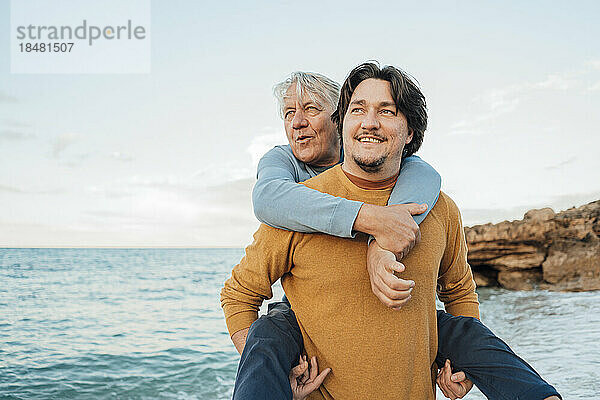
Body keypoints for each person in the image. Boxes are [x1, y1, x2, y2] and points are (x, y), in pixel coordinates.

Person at [222, 63, 561, 400]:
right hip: (304, 347)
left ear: (410, 132)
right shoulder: (293, 206)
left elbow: (458, 289)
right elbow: (238, 295)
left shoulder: (438, 207)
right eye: (358, 109)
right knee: (270, 330)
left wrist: (459, 364)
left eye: (387, 111)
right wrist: (281, 380)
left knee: (468, 335)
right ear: (345, 122)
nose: (369, 122)